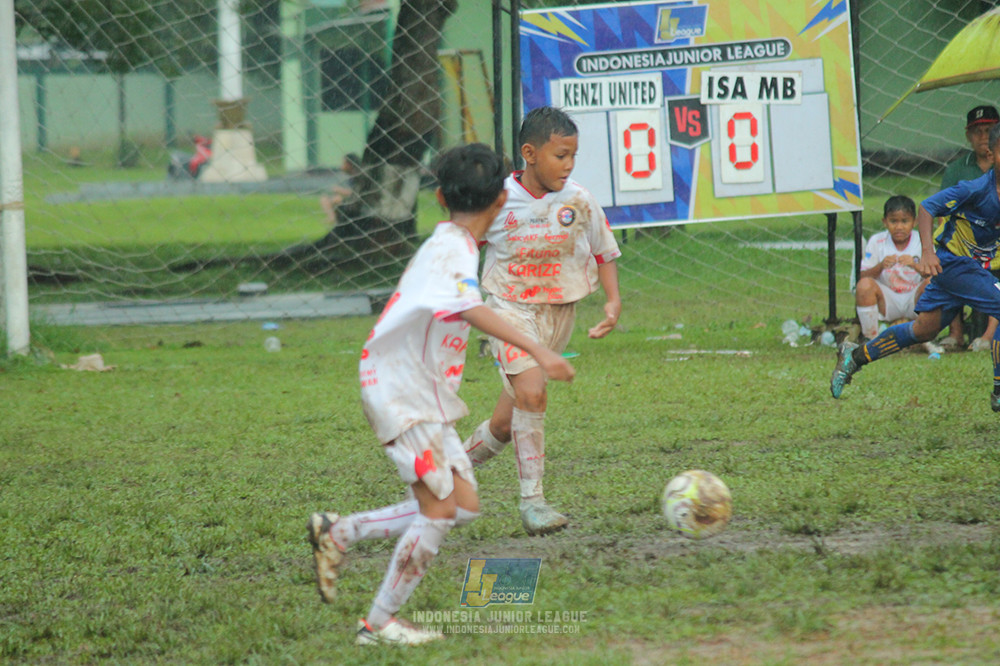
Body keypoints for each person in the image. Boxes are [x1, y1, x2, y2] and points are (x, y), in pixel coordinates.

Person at [306, 143, 575, 646]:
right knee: (438, 512)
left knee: (463, 505)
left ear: (437, 196)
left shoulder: (451, 243)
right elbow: (472, 310)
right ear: (502, 200)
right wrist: (541, 351)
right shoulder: (452, 251)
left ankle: (340, 532)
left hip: (416, 392)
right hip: (401, 392)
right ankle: (377, 624)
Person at [461, 106, 623, 536]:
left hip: (559, 314)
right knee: (532, 394)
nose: (568, 165)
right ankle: (533, 503)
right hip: (509, 310)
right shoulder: (497, 200)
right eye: (560, 155)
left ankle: (446, 475)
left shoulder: (579, 200)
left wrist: (612, 302)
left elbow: (604, 251)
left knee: (503, 423)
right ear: (529, 154)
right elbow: (463, 244)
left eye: (573, 156)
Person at [831, 122, 1000, 412]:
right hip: (952, 264)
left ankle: (854, 357)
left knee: (923, 330)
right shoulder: (974, 189)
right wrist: (927, 252)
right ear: (991, 153)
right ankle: (998, 390)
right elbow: (926, 208)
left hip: (972, 269)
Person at [939, 105, 1000, 350]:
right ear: (968, 136)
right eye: (977, 131)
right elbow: (943, 212)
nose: (983, 136)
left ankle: (988, 336)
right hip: (966, 241)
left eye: (989, 130)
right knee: (948, 263)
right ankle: (956, 333)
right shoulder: (956, 170)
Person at [854, 195, 939, 353]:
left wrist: (915, 265)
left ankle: (926, 339)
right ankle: (872, 342)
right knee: (864, 286)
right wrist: (880, 266)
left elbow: (933, 273)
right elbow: (862, 277)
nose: (899, 227)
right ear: (884, 222)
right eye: (894, 221)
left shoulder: (923, 241)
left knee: (931, 284)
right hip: (888, 298)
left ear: (914, 222)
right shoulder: (877, 241)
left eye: (904, 221)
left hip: (914, 298)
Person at [319, 152, 362, 226]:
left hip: (359, 203)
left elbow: (357, 193)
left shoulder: (358, 176)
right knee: (326, 198)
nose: (341, 166)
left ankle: (333, 219)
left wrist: (340, 190)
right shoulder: (352, 176)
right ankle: (334, 219)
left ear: (349, 164)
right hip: (354, 201)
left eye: (343, 163)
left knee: (333, 199)